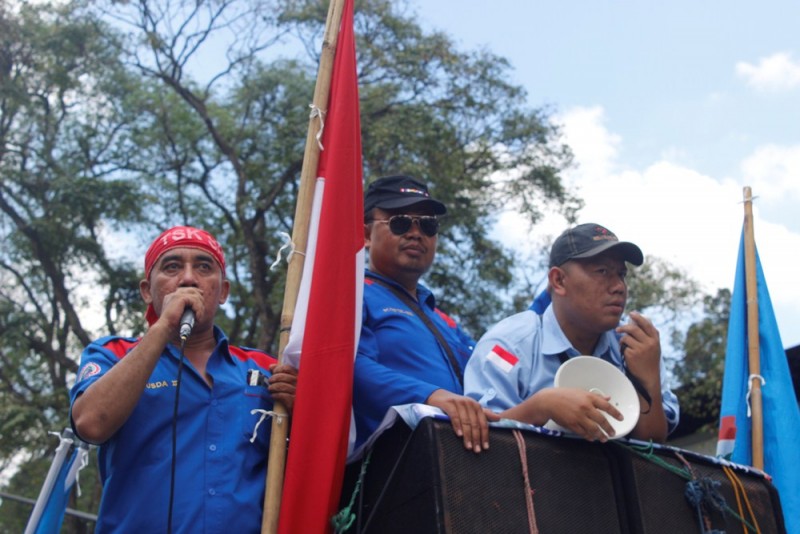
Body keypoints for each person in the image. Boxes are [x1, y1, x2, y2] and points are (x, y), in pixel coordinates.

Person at [69, 226, 298, 533]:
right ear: (147, 291)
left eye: (204, 267)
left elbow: (307, 464)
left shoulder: (265, 368)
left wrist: (302, 410)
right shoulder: (113, 354)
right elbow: (90, 424)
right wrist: (164, 326)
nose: (189, 279)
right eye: (172, 267)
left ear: (223, 291)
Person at [464, 223, 679, 443]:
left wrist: (648, 381)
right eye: (602, 271)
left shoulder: (637, 346)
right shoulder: (508, 346)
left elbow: (652, 446)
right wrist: (541, 406)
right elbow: (481, 439)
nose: (619, 287)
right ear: (559, 281)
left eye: (621, 274)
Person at [353, 175, 498, 454]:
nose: (415, 233)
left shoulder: (443, 320)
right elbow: (347, 366)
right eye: (400, 222)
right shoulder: (354, 293)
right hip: (388, 468)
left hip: (460, 461)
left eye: (428, 225)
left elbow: (490, 369)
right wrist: (429, 396)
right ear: (366, 235)